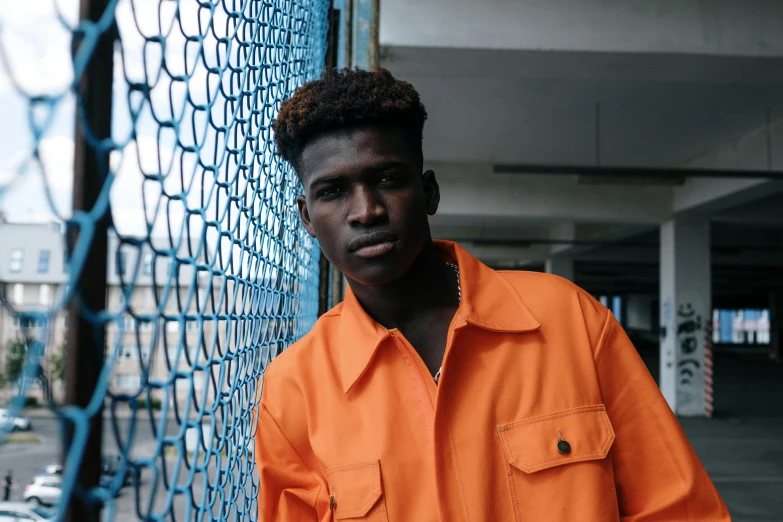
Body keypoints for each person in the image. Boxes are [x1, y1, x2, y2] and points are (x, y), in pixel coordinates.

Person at [254, 68, 730, 521]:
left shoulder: (567, 319)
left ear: (429, 192)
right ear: (307, 218)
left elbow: (679, 508)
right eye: (334, 191)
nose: (366, 211)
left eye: (386, 179)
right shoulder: (293, 390)